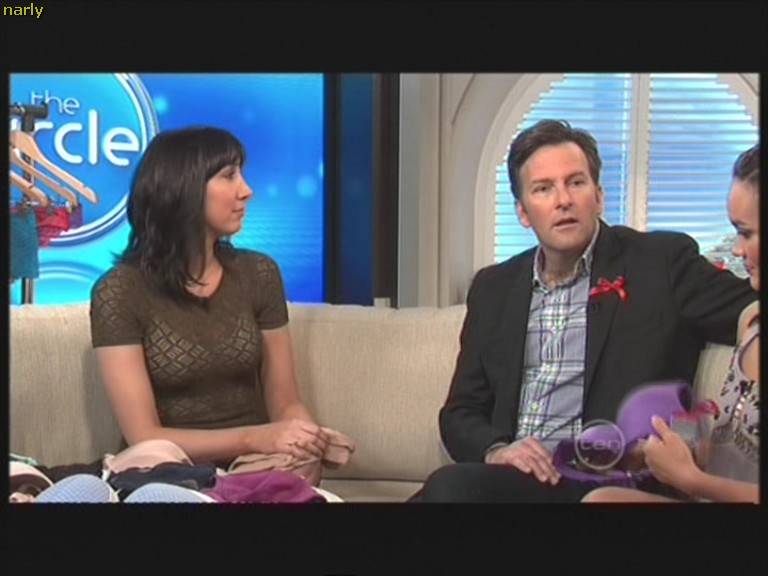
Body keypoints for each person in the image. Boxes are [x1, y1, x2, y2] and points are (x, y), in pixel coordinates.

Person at [417, 120, 757, 502]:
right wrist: (498, 451)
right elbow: (460, 412)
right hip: (515, 477)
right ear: (523, 212)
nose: (563, 200)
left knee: (448, 489)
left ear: (598, 196)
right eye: (543, 189)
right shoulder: (493, 288)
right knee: (441, 492)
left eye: (575, 183)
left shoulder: (661, 263)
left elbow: (747, 306)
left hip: (607, 480)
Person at [90, 126, 329, 486]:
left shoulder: (259, 273)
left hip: (256, 466)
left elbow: (285, 402)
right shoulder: (119, 291)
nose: (246, 191)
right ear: (183, 188)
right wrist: (256, 437)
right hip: (169, 470)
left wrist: (304, 440)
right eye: (229, 176)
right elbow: (144, 436)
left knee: (295, 472)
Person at [582, 144, 759, 504]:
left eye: (746, 232)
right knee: (602, 499)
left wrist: (692, 481)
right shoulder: (750, 323)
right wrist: (681, 455)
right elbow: (734, 454)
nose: (737, 250)